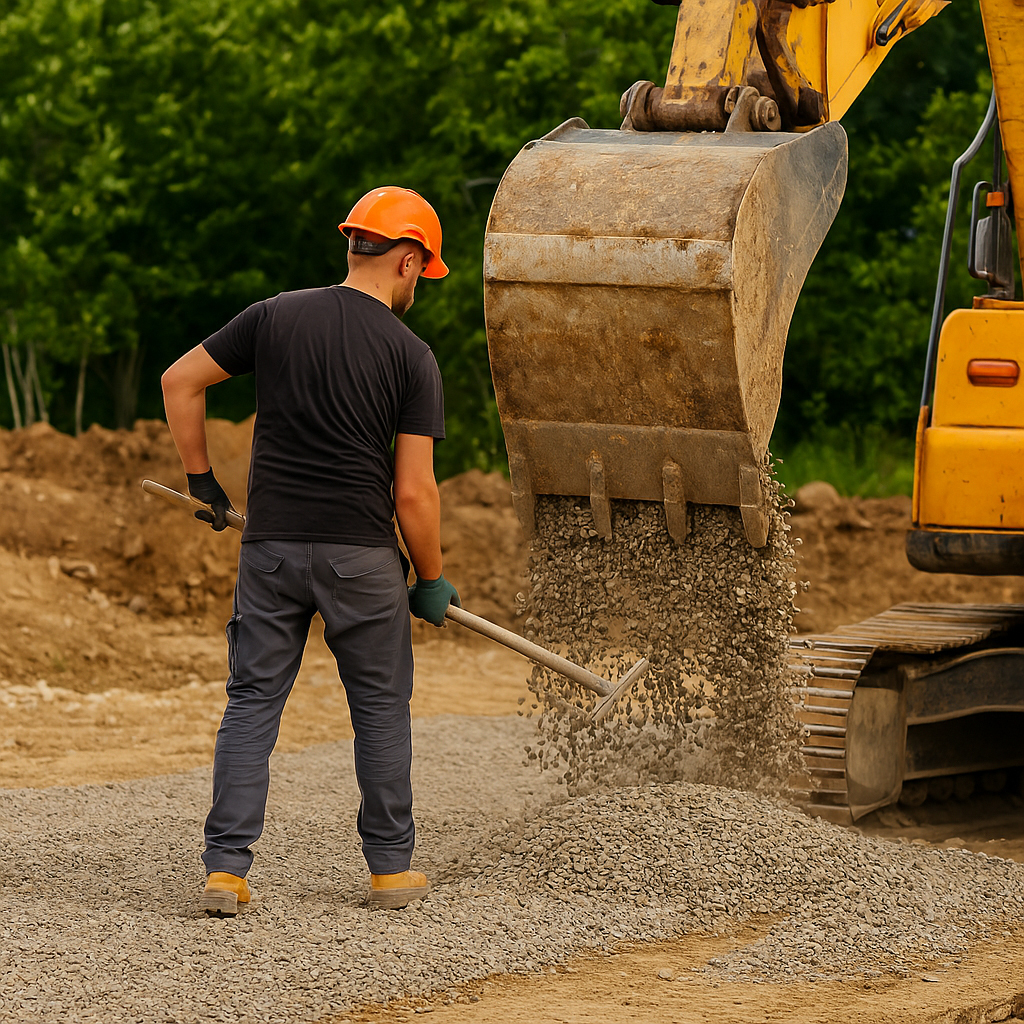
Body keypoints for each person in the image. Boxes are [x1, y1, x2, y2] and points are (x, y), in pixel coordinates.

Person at [160, 186, 460, 915]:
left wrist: (204, 482)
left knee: (253, 701)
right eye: (424, 268)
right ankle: (389, 870)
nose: (421, 281)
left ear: (355, 244)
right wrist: (432, 578)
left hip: (270, 549)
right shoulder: (411, 355)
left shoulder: (275, 315)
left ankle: (226, 872)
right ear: (409, 258)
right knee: (381, 708)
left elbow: (180, 381)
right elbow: (415, 494)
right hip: (362, 558)